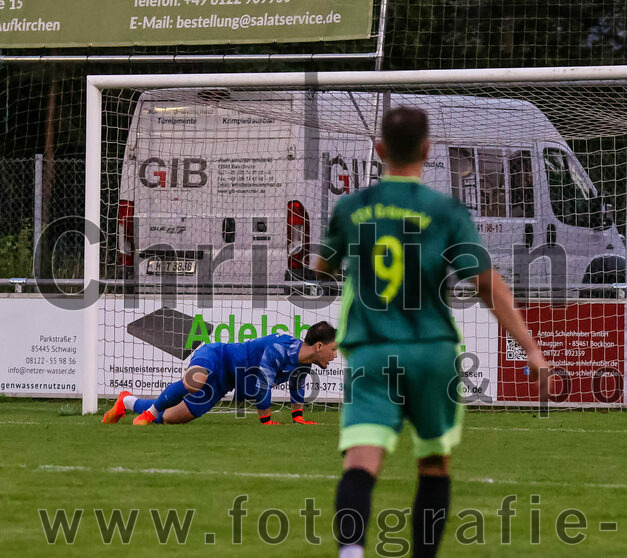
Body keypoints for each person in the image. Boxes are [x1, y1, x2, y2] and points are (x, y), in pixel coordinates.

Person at [317, 106, 550, 558]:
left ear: (380, 149)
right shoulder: (445, 212)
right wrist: (531, 348)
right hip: (431, 351)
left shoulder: (352, 208)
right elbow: (487, 284)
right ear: (427, 149)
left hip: (372, 351)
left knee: (362, 460)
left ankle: (351, 552)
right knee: (433, 464)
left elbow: (322, 265)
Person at [101, 321, 339, 426]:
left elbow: (297, 387)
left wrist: (297, 417)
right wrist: (266, 421)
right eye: (333, 349)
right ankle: (149, 414)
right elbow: (262, 385)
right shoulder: (280, 348)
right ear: (319, 346)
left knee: (174, 418)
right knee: (194, 381)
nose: (335, 355)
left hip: (226, 381)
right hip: (217, 356)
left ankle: (127, 401)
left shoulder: (304, 364)